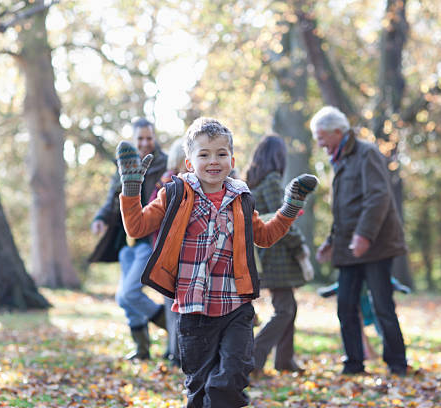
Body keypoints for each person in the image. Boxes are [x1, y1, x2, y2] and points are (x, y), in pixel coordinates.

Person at [116, 117, 318, 407]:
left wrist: (289, 208)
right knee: (199, 388)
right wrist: (131, 187)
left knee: (231, 379)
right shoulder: (174, 193)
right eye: (204, 154)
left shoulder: (241, 198)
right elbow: (136, 227)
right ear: (189, 162)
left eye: (221, 154)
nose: (214, 161)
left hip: (235, 308)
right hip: (193, 310)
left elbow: (265, 235)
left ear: (232, 160)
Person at [311, 106, 408, 376]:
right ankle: (354, 363)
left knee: (382, 306)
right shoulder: (339, 160)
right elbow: (344, 209)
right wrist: (331, 241)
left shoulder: (366, 153)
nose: (319, 144)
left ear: (338, 132)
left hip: (376, 245)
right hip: (348, 248)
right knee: (345, 305)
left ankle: (397, 363)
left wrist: (364, 235)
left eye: (321, 138)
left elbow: (378, 197)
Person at [89, 118, 168, 361]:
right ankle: (142, 350)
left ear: (154, 138)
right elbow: (113, 197)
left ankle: (176, 329)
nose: (145, 143)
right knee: (125, 299)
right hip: (126, 242)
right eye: (140, 139)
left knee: (127, 293)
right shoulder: (124, 164)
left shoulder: (164, 165)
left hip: (150, 240)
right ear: (134, 141)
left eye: (149, 138)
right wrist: (101, 217)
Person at [245, 135, 313, 378]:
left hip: (265, 252)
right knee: (284, 309)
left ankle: (285, 360)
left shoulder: (252, 181)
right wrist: (300, 247)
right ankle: (253, 359)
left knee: (287, 307)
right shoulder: (272, 180)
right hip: (277, 253)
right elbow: (282, 221)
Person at [148, 138, 187, 367]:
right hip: (168, 253)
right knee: (173, 306)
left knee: (177, 306)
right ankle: (175, 352)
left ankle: (175, 350)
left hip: (181, 253)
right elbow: (153, 216)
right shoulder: (168, 183)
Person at [317, 277, 411, 360]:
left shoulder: (373, 274)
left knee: (382, 330)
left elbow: (387, 280)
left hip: (375, 310)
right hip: (360, 309)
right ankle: (367, 353)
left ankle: (388, 352)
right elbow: (340, 285)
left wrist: (399, 288)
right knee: (358, 330)